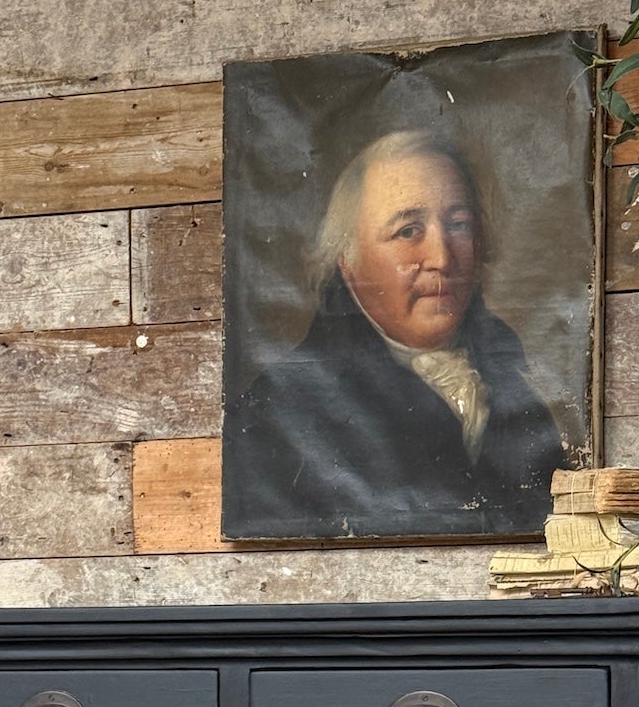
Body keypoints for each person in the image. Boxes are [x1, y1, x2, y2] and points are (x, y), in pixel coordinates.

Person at [223, 128, 565, 540]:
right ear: (348, 262)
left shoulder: (520, 391)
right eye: (407, 231)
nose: (441, 257)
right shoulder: (275, 414)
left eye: (458, 224)